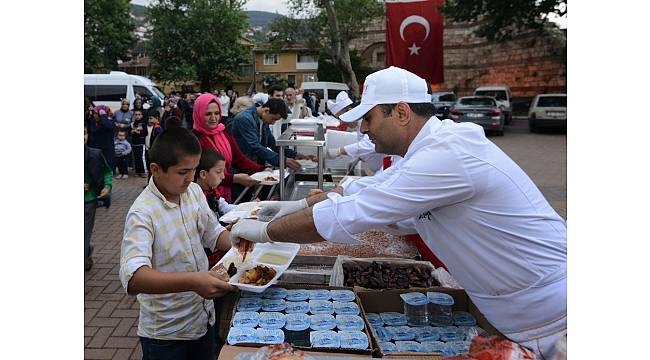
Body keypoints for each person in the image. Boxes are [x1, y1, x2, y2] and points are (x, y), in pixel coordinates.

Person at [231, 66, 567, 359]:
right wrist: (290, 206)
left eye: (369, 118)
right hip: (524, 319)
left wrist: (261, 232)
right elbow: (357, 190)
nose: (364, 129)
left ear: (402, 113)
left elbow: (347, 213)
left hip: (557, 320)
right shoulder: (424, 153)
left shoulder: (446, 153)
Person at [119, 127, 236, 360]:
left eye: (194, 170)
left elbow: (213, 233)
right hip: (166, 334)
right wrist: (193, 281)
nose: (191, 178)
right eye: (183, 171)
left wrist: (244, 241)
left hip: (202, 318)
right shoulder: (142, 213)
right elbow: (134, 278)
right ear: (156, 170)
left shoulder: (192, 191)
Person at [191, 93, 265, 202]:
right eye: (208, 114)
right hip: (203, 196)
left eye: (216, 113)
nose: (213, 118)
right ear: (198, 114)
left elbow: (239, 159)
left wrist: (262, 170)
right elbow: (200, 174)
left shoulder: (223, 133)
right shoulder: (193, 140)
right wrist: (234, 179)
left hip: (224, 193)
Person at [231, 98, 302, 171]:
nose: (273, 123)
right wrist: (281, 160)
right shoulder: (245, 118)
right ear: (266, 111)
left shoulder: (263, 119)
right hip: (242, 167)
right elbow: (255, 146)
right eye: (273, 119)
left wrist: (293, 155)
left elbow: (272, 143)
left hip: (255, 163)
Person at [194, 148, 236, 268]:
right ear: (203, 174)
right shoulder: (197, 198)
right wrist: (224, 231)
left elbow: (225, 207)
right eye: (219, 172)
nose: (223, 176)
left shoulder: (212, 192)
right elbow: (205, 238)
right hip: (211, 256)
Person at [84, 124, 112, 271]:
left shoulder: (95, 154)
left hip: (88, 200)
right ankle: (87, 252)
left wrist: (106, 187)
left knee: (84, 233)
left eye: (84, 133)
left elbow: (107, 171)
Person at [88, 105, 116, 172]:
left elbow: (107, 126)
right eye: (94, 114)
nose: (95, 116)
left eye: (96, 114)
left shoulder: (110, 121)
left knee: (107, 170)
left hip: (106, 150)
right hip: (95, 149)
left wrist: (103, 115)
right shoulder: (94, 122)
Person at [145, 111, 163, 182]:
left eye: (151, 118)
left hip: (155, 151)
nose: (149, 120)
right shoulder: (155, 127)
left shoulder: (158, 129)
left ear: (157, 118)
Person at [130, 109, 148, 178]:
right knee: (136, 158)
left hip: (141, 144)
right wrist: (131, 132)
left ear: (142, 116)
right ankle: (137, 171)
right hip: (134, 143)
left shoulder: (143, 124)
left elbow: (145, 133)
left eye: (139, 115)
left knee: (141, 158)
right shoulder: (132, 124)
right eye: (136, 115)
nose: (137, 116)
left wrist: (139, 133)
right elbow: (129, 132)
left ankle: (144, 171)